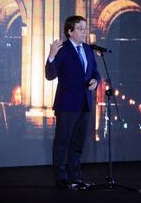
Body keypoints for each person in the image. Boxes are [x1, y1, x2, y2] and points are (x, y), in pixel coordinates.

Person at [45, 15, 101, 190]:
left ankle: (75, 176)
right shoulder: (62, 49)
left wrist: (96, 81)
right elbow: (50, 75)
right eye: (80, 28)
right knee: (63, 141)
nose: (84, 31)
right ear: (70, 31)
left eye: (85, 27)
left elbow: (95, 73)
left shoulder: (88, 49)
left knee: (78, 143)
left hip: (85, 103)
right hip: (67, 104)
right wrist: (51, 56)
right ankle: (61, 177)